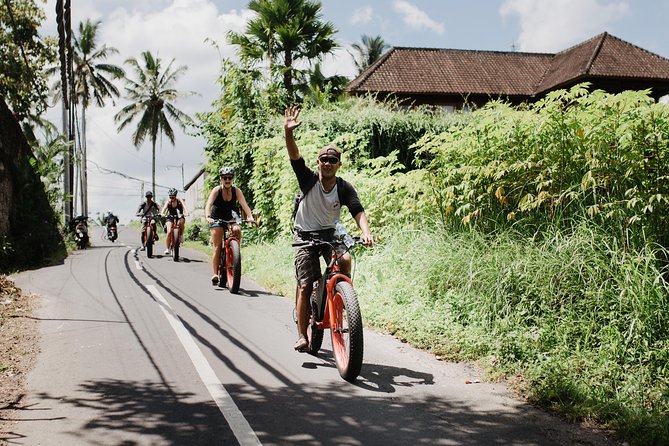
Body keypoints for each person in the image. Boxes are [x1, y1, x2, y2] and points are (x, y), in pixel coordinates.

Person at [283, 105, 374, 352]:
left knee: (344, 259)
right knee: (304, 285)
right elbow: (294, 157)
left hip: (330, 232)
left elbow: (357, 210)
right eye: (324, 159)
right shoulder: (309, 180)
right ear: (319, 162)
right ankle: (302, 334)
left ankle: (341, 298)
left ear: (338, 165)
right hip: (305, 235)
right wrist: (288, 133)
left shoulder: (344, 187)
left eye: (333, 160)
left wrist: (365, 231)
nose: (328, 163)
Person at [204, 166, 254, 285]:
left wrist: (250, 216)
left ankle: (234, 254)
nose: (227, 180)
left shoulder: (236, 190)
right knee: (217, 246)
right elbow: (208, 204)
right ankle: (216, 273)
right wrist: (208, 217)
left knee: (237, 229)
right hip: (216, 218)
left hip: (231, 216)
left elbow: (244, 205)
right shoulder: (217, 190)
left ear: (232, 179)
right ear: (221, 179)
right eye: (225, 178)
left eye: (230, 178)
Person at [161, 188, 188, 255]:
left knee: (181, 222)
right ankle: (167, 248)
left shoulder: (179, 201)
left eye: (173, 197)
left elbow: (185, 207)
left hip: (179, 217)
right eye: (170, 196)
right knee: (169, 231)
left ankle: (181, 235)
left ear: (175, 196)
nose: (171, 198)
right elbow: (163, 209)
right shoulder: (168, 202)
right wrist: (162, 214)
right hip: (170, 217)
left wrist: (186, 212)